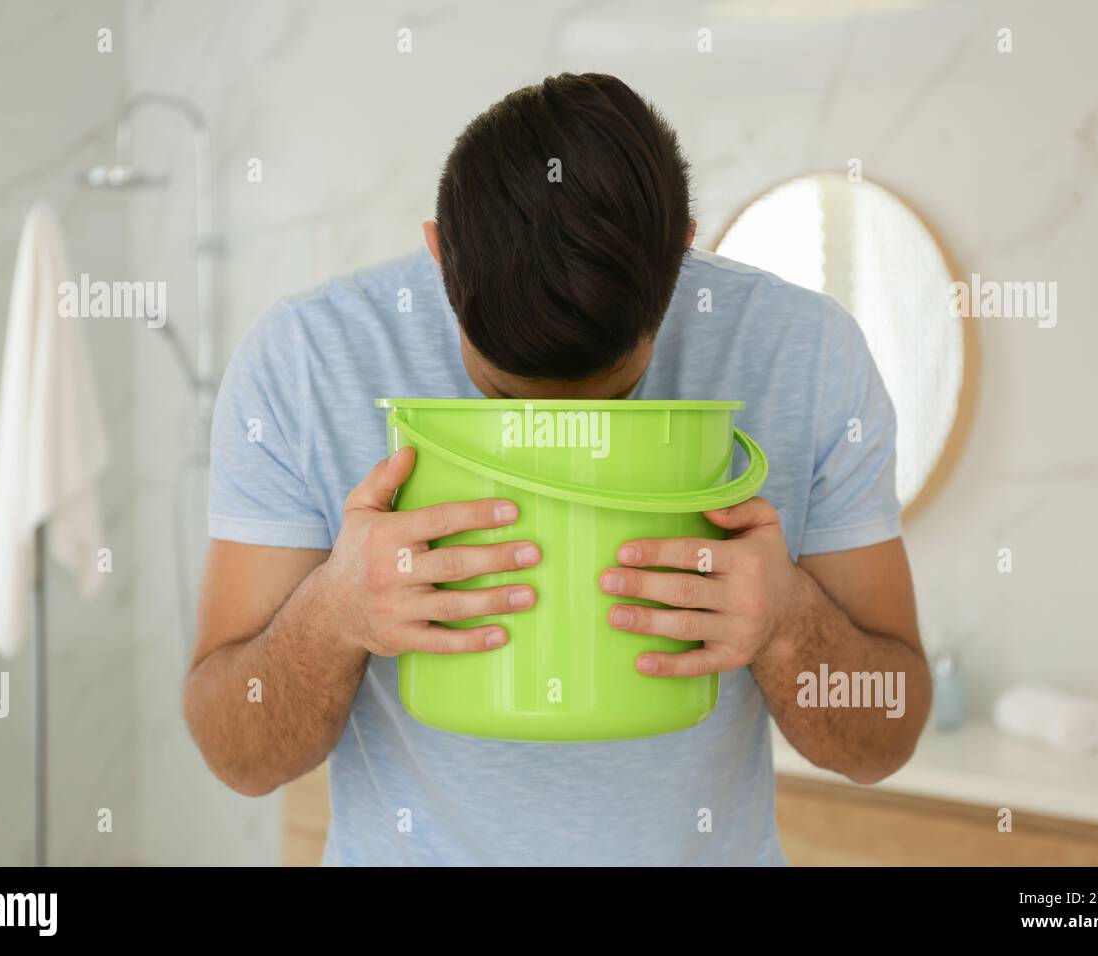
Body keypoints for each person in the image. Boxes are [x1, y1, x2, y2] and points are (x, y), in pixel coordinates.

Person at [184, 72, 931, 866]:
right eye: (503, 393)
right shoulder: (305, 360)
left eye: (616, 390)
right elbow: (236, 754)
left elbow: (883, 738)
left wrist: (787, 624)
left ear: (681, 253)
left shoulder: (805, 353)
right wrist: (333, 614)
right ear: (441, 259)